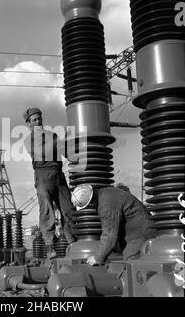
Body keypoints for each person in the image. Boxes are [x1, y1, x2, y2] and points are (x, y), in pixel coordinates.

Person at [23, 107, 77, 259]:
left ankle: (73, 242)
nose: (38, 121)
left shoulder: (52, 135)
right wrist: (59, 141)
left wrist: (71, 150)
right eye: (34, 119)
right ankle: (50, 247)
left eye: (39, 118)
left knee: (68, 209)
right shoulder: (29, 140)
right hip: (43, 176)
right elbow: (41, 152)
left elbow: (66, 153)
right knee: (47, 210)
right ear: (29, 124)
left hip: (58, 175)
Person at [71, 184, 157, 265]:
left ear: (90, 203)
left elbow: (109, 235)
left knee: (130, 260)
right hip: (141, 229)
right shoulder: (106, 192)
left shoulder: (106, 206)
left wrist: (98, 258)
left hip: (140, 234)